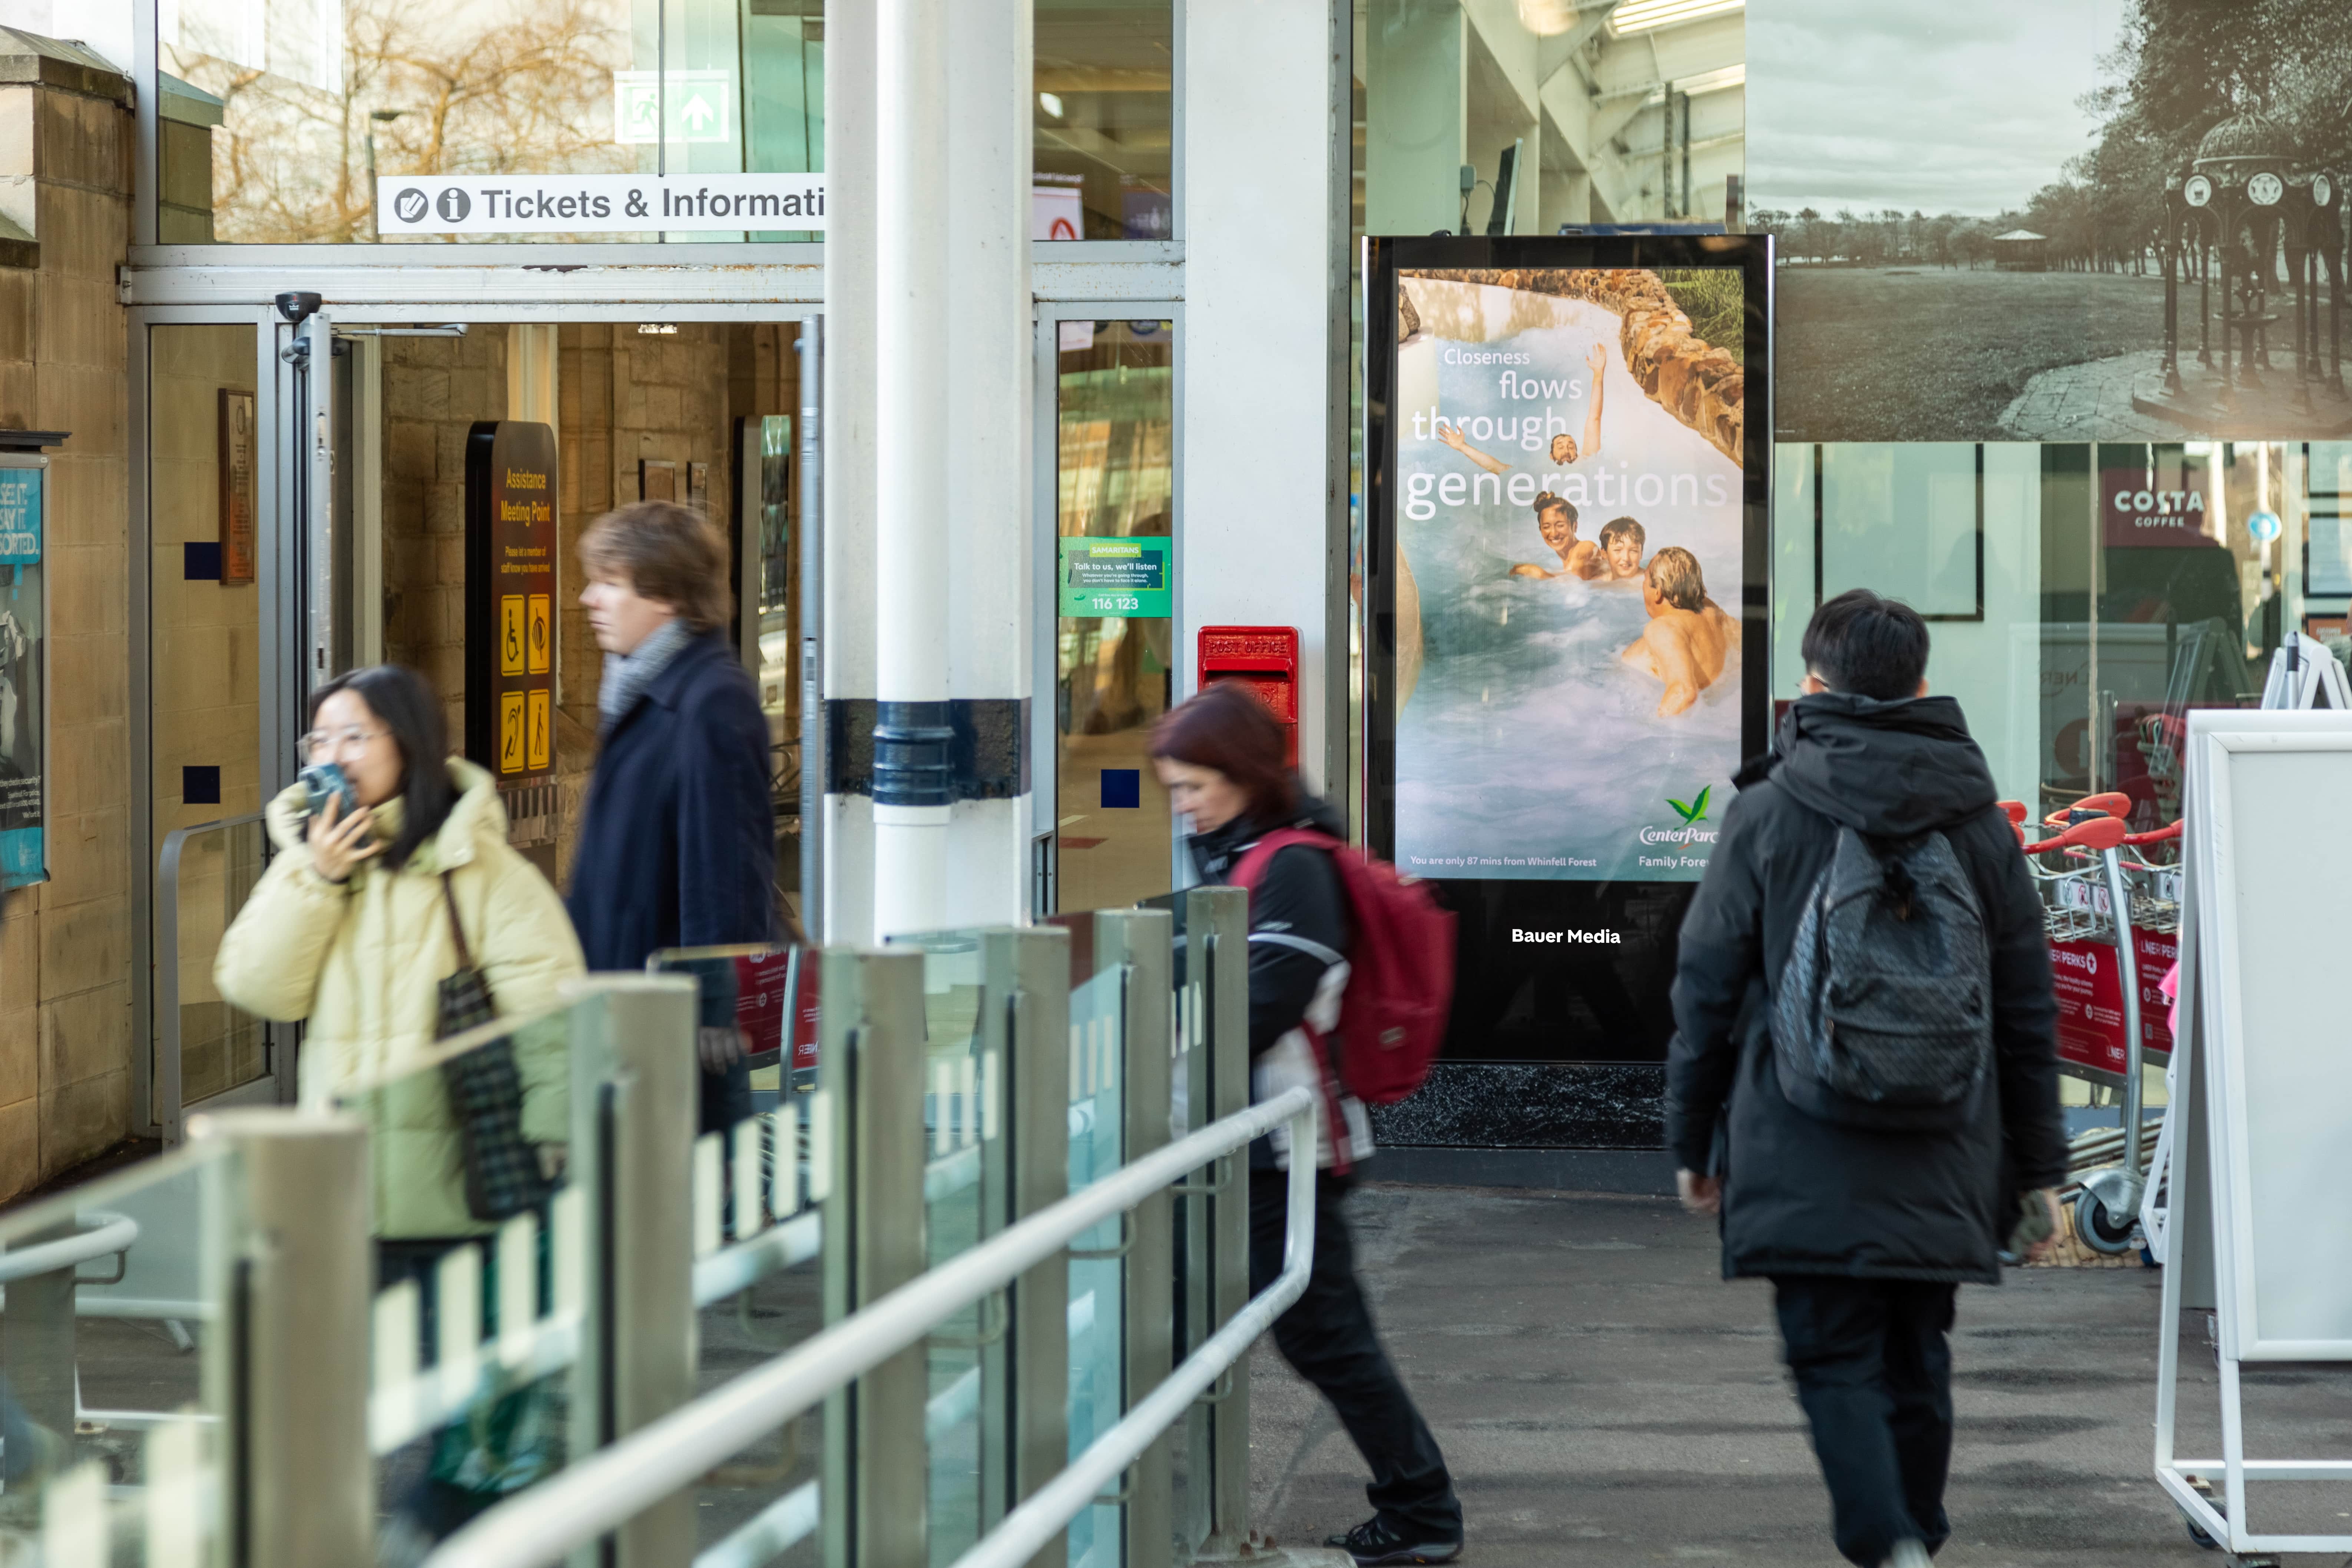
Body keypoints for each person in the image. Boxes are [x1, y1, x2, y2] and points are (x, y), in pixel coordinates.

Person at [1664, 590, 2067, 1568]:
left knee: (1832, 1356)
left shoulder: (1765, 810)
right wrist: (2038, 1164)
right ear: (1923, 684)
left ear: (1810, 686)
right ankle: (1914, 1534)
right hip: (1946, 1136)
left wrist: (1691, 1138)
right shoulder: (1980, 821)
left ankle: (1888, 1541)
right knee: (1915, 1354)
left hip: (1799, 1131)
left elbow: (1706, 984)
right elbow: (2024, 1000)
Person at [213, 664, 584, 1548]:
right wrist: (314, 876)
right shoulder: (314, 862)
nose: (331, 758)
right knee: (341, 1397)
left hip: (460, 1188)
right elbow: (256, 985)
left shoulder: (478, 868)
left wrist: (551, 1140)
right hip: (344, 1192)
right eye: (321, 740)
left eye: (355, 737)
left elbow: (554, 1016)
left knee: (465, 1390)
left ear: (407, 746)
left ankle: (451, 1524)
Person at [1149, 682, 1463, 1568]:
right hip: (1257, 1138)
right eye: (1175, 789)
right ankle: (1416, 1502)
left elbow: (1265, 1001)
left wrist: (1156, 1036)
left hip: (1284, 1141)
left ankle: (1421, 1505)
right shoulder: (1243, 853)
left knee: (1317, 1328)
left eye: (1195, 786)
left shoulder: (1289, 864)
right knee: (1290, 1323)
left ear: (1245, 775)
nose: (1185, 805)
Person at [566, 500, 778, 1135]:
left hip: (671, 1026)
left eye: (609, 581)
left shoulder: (711, 700)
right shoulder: (642, 690)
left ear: (664, 595)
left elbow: (725, 875)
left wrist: (712, 1019)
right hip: (623, 1007)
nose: (588, 598)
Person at [1434, 340, 1607, 470]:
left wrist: (1598, 374)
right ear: (1551, 455)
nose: (1566, 449)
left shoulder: (1586, 465)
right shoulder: (1542, 476)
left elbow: (1595, 419)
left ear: (1577, 454)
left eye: (1571, 446)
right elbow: (1498, 468)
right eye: (1560, 447)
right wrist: (1463, 447)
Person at [1621, 545, 1738, 715]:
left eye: (1645, 581)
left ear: (1658, 593)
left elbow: (1684, 692)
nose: (1643, 587)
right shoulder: (1711, 611)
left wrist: (1651, 731)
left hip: (1635, 695)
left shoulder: (1663, 628)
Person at [1508, 491, 1602, 581]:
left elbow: (1577, 583)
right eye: (1546, 527)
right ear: (1541, 530)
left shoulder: (1586, 548)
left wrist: (1541, 575)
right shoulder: (1565, 561)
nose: (1554, 534)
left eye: (1560, 525)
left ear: (1575, 526)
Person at [1596, 515, 1646, 583]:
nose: (1626, 558)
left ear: (1641, 554)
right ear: (1604, 554)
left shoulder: (1652, 583)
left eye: (1634, 551)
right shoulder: (1599, 583)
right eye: (1618, 550)